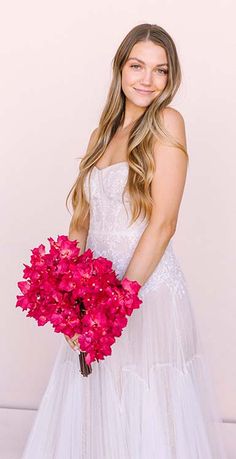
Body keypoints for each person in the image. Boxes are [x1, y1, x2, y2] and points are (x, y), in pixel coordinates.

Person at [21, 23, 228, 458]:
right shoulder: (101, 137)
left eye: (160, 70)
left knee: (144, 397)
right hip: (96, 293)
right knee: (98, 396)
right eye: (137, 66)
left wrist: (116, 300)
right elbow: (81, 221)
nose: (147, 80)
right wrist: (67, 298)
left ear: (171, 79)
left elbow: (164, 223)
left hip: (145, 291)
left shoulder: (168, 123)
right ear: (120, 68)